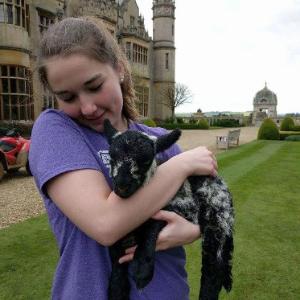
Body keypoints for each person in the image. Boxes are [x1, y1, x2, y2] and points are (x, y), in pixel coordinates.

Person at [29, 17, 218, 300]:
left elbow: (213, 210)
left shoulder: (157, 138)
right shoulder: (56, 130)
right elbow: (106, 225)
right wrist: (182, 164)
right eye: (67, 97)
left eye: (94, 86)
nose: (88, 107)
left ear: (118, 70)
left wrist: (197, 229)